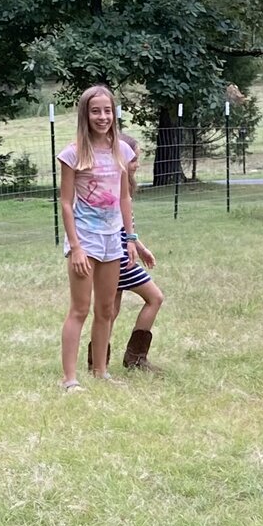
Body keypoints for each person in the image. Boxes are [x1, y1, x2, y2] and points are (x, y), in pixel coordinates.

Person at [58, 84, 136, 392]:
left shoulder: (122, 151)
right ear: (85, 114)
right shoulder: (73, 153)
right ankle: (70, 379)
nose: (102, 117)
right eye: (95, 111)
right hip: (86, 239)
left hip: (112, 240)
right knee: (80, 309)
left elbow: (124, 198)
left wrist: (130, 239)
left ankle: (101, 371)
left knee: (106, 310)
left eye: (107, 111)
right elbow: (65, 203)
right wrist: (75, 247)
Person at [117, 227, 163, 369]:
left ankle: (96, 362)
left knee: (109, 311)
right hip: (121, 257)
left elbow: (123, 227)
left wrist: (141, 248)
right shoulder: (121, 203)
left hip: (110, 253)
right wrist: (140, 248)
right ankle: (135, 358)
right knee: (155, 298)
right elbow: (123, 225)